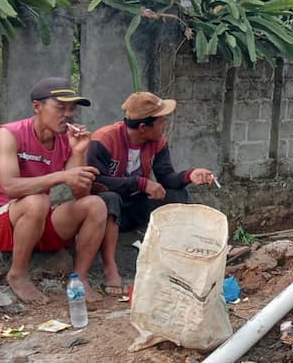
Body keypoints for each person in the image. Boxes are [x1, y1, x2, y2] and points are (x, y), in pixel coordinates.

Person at [0, 77, 108, 305]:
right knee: (37, 201)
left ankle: (79, 279)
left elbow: (80, 195)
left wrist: (78, 152)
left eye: (72, 108)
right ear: (37, 107)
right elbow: (10, 187)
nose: (68, 114)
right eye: (60, 107)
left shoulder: (66, 141)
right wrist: (61, 176)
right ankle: (18, 273)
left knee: (96, 205)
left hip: (37, 221)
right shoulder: (9, 134)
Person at [87, 91, 218, 294]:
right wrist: (140, 184)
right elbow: (96, 182)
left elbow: (166, 177)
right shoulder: (103, 141)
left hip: (136, 206)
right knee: (108, 199)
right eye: (161, 121)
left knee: (177, 195)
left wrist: (190, 175)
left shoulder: (158, 142)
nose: (165, 125)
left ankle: (201, 250)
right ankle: (110, 269)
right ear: (143, 127)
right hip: (108, 213)